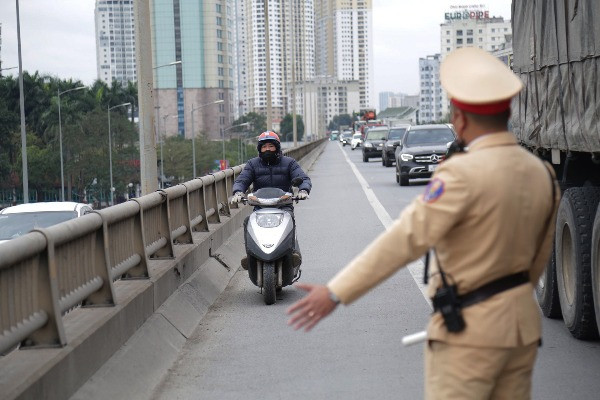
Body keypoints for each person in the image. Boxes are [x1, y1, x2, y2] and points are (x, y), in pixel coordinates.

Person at [287, 47, 560, 400]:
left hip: (469, 335)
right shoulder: (542, 174)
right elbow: (539, 258)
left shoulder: (461, 174)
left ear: (459, 118)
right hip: (521, 327)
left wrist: (336, 292)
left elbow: (404, 240)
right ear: (507, 113)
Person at [231, 131, 312, 267]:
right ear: (260, 149)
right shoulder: (252, 164)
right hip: (260, 206)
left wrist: (303, 190)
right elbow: (242, 180)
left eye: (270, 146)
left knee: (290, 221)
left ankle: (293, 253)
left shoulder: (289, 163)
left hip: (283, 205)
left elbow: (303, 178)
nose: (267, 149)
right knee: (247, 222)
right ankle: (250, 255)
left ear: (277, 147)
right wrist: (238, 192)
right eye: (264, 147)